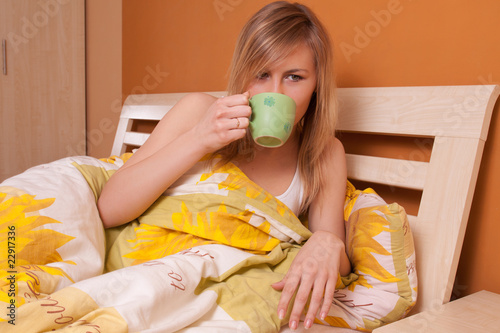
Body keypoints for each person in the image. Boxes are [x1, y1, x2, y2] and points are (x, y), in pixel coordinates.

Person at [98, 1, 351, 330]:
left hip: (220, 305)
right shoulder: (197, 111)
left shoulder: (324, 154)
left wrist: (329, 241)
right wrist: (200, 138)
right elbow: (109, 208)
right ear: (243, 73)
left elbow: (336, 265)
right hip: (144, 283)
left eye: (294, 77)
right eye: (261, 74)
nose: (275, 92)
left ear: (317, 83)